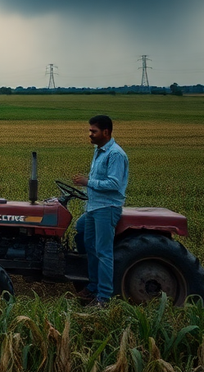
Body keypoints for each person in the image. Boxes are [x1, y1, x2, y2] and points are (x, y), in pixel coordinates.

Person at [71, 115, 129, 306]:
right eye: (90, 131)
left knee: (103, 251)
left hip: (107, 207)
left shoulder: (116, 154)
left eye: (93, 131)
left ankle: (103, 296)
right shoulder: (99, 151)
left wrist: (88, 182)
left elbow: (114, 183)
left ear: (106, 132)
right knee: (88, 244)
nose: (90, 134)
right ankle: (92, 286)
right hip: (94, 207)